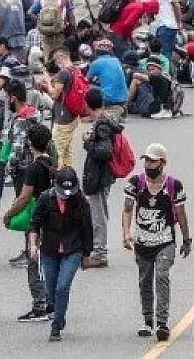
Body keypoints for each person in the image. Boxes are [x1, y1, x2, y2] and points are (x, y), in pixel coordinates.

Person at [122, 143, 192, 342]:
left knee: (161, 276)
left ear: (163, 163)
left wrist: (187, 240)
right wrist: (126, 233)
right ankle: (147, 320)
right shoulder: (135, 184)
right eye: (146, 160)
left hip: (165, 242)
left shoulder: (173, 186)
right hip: (142, 243)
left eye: (153, 161)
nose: (149, 165)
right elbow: (127, 209)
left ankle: (162, 323)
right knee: (145, 280)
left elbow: (181, 214)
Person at [28, 167, 93, 342]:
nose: (66, 196)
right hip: (50, 249)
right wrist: (33, 245)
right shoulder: (45, 199)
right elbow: (35, 224)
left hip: (73, 249)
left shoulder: (82, 202)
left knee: (62, 286)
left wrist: (86, 255)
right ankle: (59, 313)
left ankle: (56, 326)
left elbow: (87, 230)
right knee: (51, 288)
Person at [2, 122, 55, 323]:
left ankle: (39, 305)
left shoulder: (33, 168)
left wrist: (9, 214)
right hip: (53, 218)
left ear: (30, 143)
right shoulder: (52, 163)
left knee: (34, 262)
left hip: (37, 219)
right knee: (49, 260)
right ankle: (51, 302)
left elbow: (25, 196)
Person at [81, 89, 117, 267]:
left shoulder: (102, 125)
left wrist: (88, 143)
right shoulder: (105, 121)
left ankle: (100, 252)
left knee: (98, 214)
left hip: (99, 175)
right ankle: (98, 248)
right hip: (103, 175)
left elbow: (104, 151)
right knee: (99, 211)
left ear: (87, 105)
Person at [45, 48, 84, 169]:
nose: (56, 63)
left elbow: (54, 95)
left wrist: (47, 83)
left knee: (56, 150)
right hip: (73, 115)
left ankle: (58, 178)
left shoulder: (63, 73)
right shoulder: (76, 70)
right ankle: (68, 174)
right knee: (67, 150)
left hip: (63, 116)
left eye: (56, 60)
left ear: (60, 57)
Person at [85, 40, 127, 122]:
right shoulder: (116, 60)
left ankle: (91, 114)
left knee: (88, 90)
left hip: (108, 99)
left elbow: (86, 81)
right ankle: (119, 111)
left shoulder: (96, 63)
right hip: (123, 98)